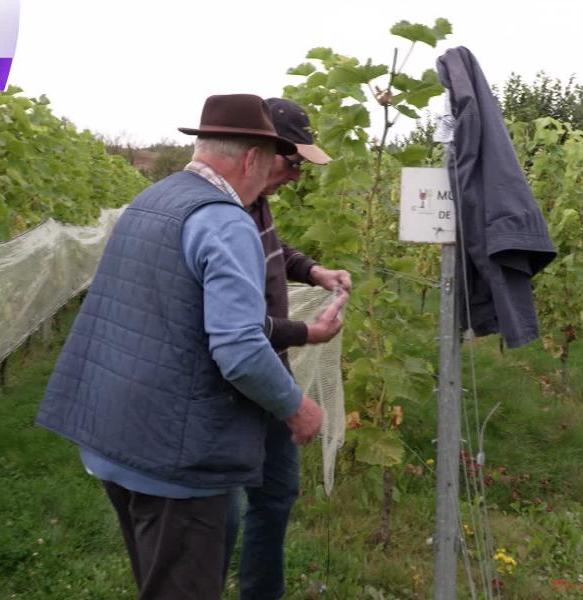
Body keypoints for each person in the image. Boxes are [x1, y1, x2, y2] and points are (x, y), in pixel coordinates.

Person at [35, 93, 324, 600]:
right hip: (174, 456)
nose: (277, 180)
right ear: (252, 159)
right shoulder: (225, 221)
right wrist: (296, 407)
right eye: (275, 164)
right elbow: (240, 350)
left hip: (116, 434)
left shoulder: (153, 200)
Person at [224, 97, 352, 600]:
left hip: (269, 373)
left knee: (276, 493)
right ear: (261, 152)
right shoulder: (221, 213)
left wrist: (314, 271)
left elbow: (276, 250)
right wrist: (307, 333)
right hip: (233, 380)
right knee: (218, 511)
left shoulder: (256, 201)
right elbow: (233, 332)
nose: (297, 177)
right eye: (294, 163)